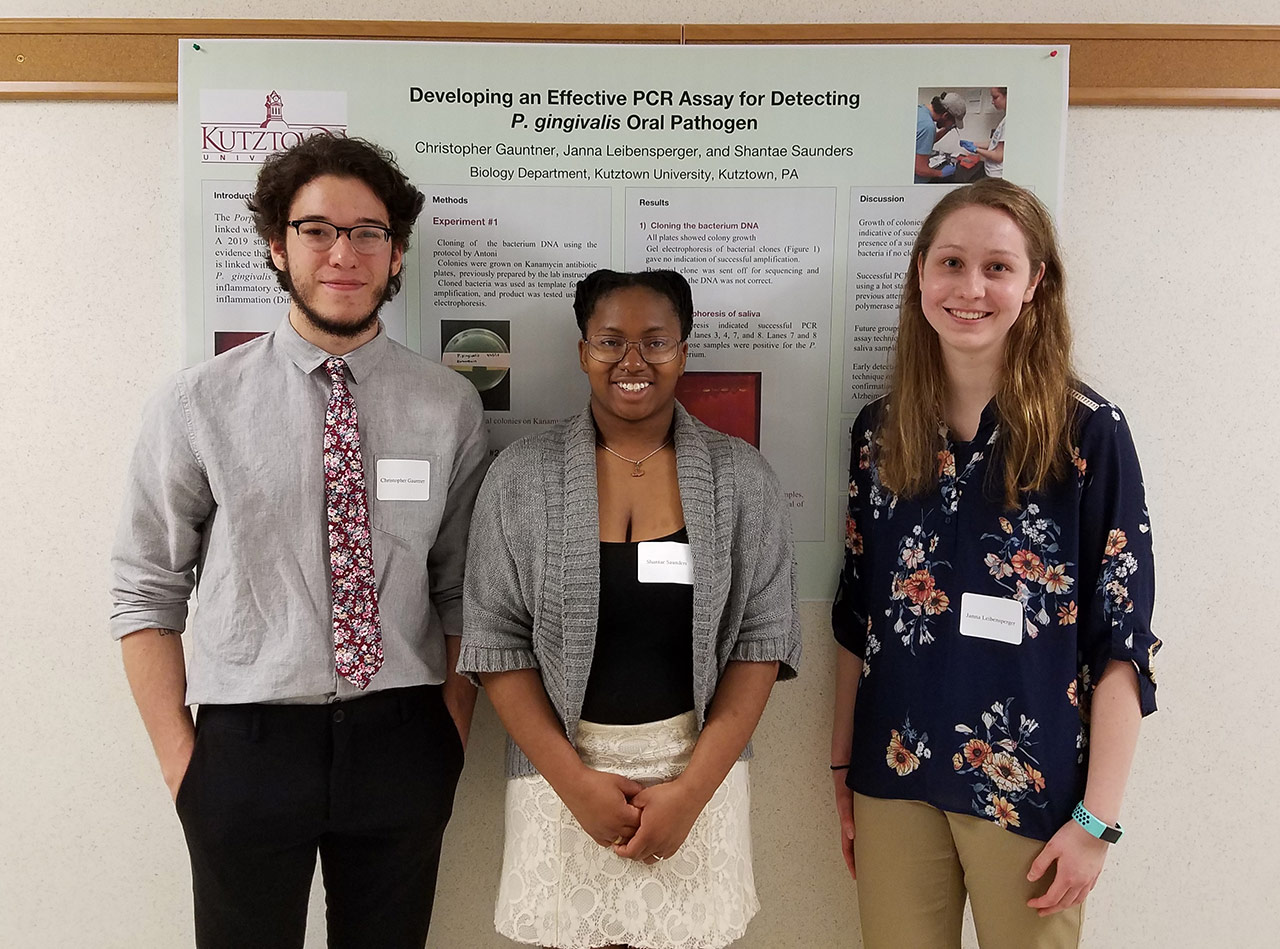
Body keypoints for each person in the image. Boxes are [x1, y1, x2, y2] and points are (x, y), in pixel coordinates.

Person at [110, 133, 488, 948]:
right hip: (246, 746)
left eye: (368, 232)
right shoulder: (197, 404)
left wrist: (448, 727)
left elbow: (463, 588)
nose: (342, 253)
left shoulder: (448, 405)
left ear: (396, 254)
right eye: (317, 230)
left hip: (402, 738)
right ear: (278, 247)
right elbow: (145, 588)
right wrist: (187, 766)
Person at [830, 179, 1160, 948]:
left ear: (1035, 283)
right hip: (894, 774)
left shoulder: (1088, 435)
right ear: (920, 277)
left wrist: (1097, 821)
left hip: (1032, 789)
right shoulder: (880, 434)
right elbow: (857, 615)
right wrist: (840, 773)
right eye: (950, 262)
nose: (970, 287)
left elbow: (1123, 643)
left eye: (998, 267)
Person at [458, 269, 801, 949]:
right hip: (563, 785)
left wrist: (690, 792)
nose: (633, 361)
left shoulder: (742, 478)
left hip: (693, 780)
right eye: (611, 340)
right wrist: (575, 783)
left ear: (684, 349)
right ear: (582, 349)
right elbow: (495, 641)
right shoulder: (520, 476)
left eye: (656, 341)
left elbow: (763, 642)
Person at [915, 91, 968, 183]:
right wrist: (941, 173)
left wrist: (947, 128)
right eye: (953, 122)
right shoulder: (928, 126)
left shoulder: (920, 110)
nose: (953, 125)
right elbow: (920, 169)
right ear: (945, 115)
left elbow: (925, 141)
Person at [961, 87, 1007, 179]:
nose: (992, 102)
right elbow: (994, 144)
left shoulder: (1008, 122)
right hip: (991, 172)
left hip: (996, 175)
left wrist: (975, 150)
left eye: (995, 97)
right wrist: (973, 144)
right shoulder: (1005, 119)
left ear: (1007, 96)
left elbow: (998, 156)